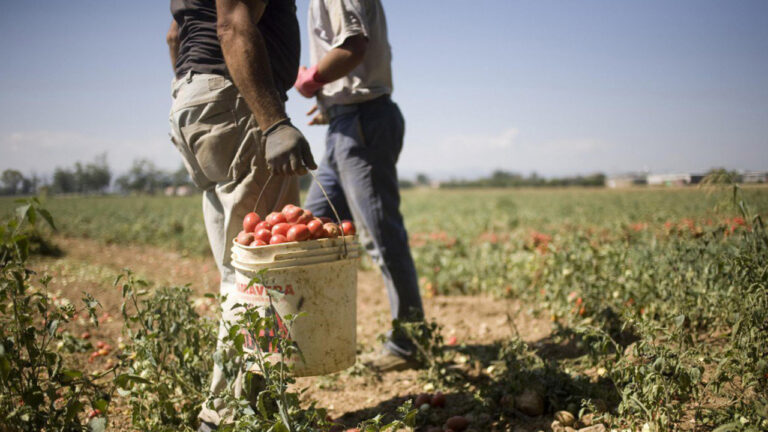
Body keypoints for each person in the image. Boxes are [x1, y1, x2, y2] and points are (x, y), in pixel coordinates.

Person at [166, 0, 315, 429]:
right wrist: (273, 122)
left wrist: (196, 94)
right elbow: (232, 24)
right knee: (261, 275)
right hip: (236, 100)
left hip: (194, 101)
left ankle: (249, 406)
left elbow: (175, 36)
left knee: (239, 271)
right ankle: (228, 418)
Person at [294, 0, 424, 372]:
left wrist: (311, 80)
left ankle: (409, 343)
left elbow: (353, 46)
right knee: (313, 231)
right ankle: (311, 338)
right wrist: (332, 104)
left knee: (381, 235)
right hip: (346, 121)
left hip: (363, 121)